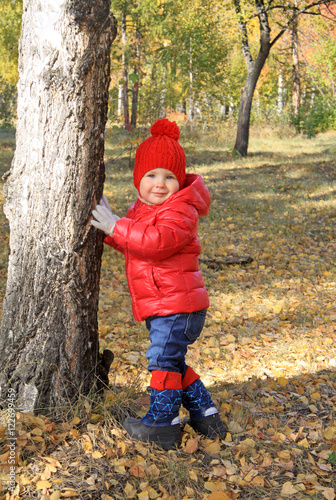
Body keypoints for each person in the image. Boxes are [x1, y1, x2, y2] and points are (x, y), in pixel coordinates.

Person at [91, 118, 227, 450]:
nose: (159, 183)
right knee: (173, 362)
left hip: (178, 307)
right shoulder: (144, 209)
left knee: (162, 362)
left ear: (179, 182)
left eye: (169, 177)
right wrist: (111, 228)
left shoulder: (180, 211)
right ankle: (205, 413)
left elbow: (156, 242)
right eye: (151, 175)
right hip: (167, 305)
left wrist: (116, 225)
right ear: (139, 178)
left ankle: (162, 423)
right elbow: (136, 243)